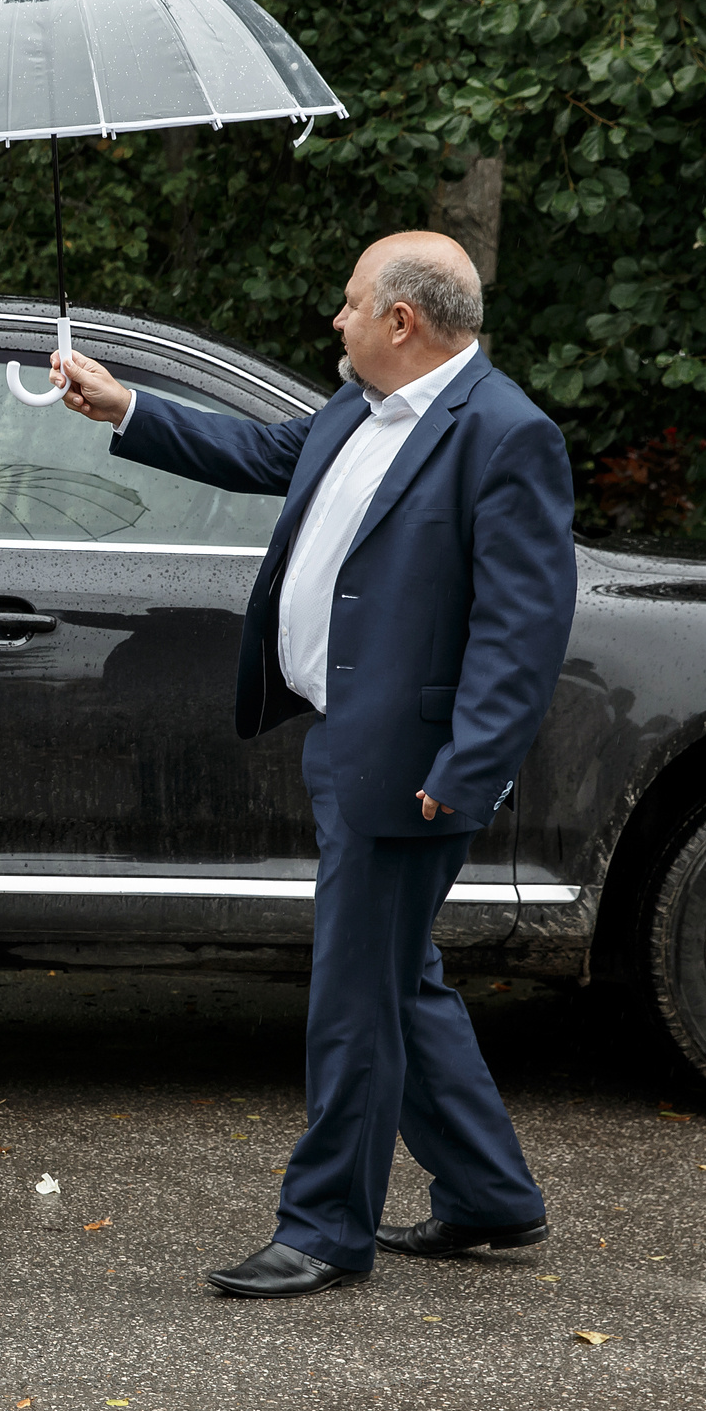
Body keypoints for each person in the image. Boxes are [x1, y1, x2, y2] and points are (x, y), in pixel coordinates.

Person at [47, 231, 574, 1299]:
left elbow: (523, 628)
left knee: (354, 998)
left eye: (346, 305)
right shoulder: (358, 409)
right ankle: (489, 1194)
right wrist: (123, 407)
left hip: (411, 763)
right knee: (397, 981)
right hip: (343, 740)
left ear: (401, 321)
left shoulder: (505, 434)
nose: (332, 321)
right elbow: (258, 456)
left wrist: (467, 769)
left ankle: (327, 1228)